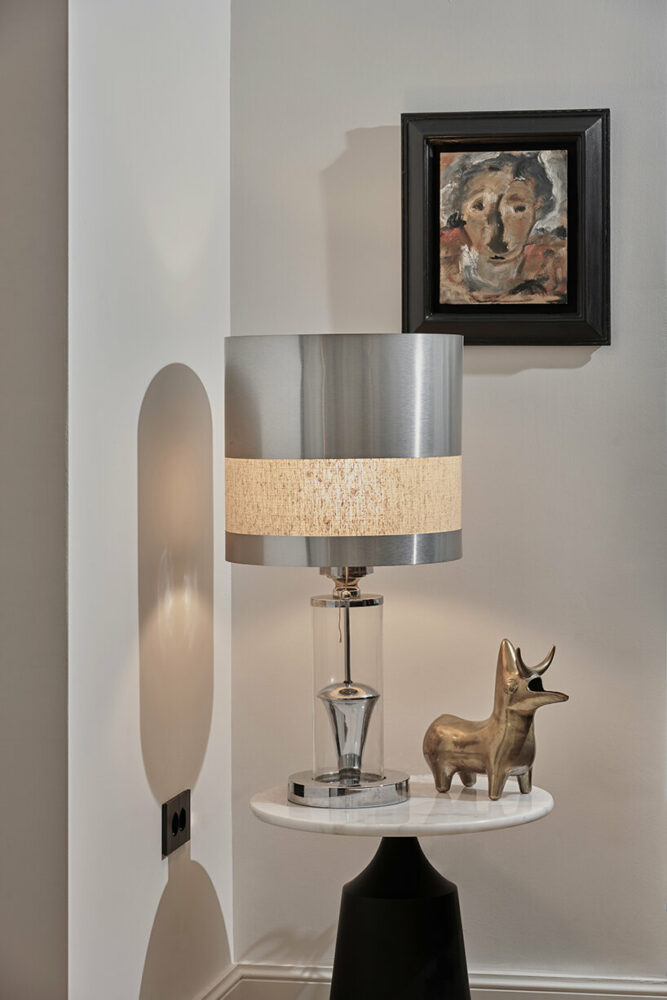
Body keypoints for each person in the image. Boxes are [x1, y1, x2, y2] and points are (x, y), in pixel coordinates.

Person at [439, 150, 567, 304]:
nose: (498, 238)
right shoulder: (441, 271)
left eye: (518, 209)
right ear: (460, 212)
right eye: (479, 207)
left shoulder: (557, 273)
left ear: (538, 209)